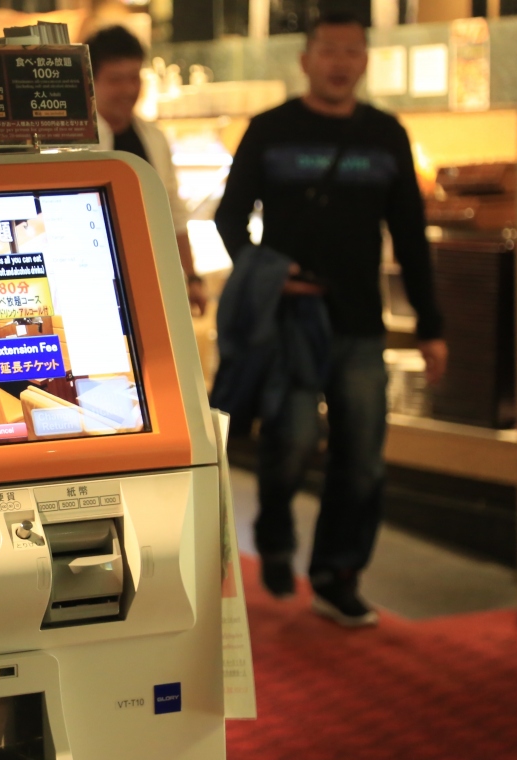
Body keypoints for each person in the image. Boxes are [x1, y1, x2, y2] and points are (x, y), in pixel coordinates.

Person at [214, 11, 448, 627]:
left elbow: (410, 235)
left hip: (359, 323)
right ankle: (274, 534)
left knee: (363, 458)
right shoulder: (270, 129)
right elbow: (229, 218)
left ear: (365, 60)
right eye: (329, 50)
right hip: (290, 321)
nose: (341, 62)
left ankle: (337, 575)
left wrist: (431, 325)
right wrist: (269, 273)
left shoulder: (386, 134)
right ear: (306, 59)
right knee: (291, 443)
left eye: (352, 51)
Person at [86, 25, 205, 314]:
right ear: (89, 81)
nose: (128, 90)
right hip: (95, 279)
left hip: (151, 274)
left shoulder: (154, 137)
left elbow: (173, 210)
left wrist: (192, 277)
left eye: (134, 78)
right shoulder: (77, 146)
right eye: (116, 80)